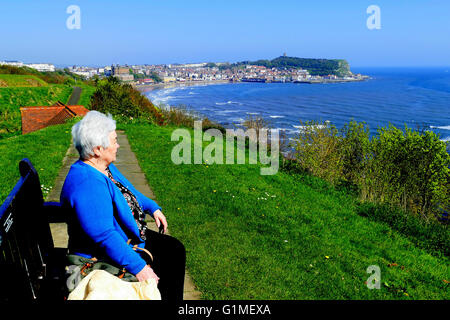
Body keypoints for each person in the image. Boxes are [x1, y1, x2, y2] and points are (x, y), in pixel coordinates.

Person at [60, 110, 185, 301]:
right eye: (114, 140)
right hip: (98, 258)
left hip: (125, 239)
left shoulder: (104, 167)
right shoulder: (87, 183)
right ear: (97, 149)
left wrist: (153, 207)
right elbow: (104, 236)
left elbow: (130, 194)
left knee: (174, 250)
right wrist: (140, 268)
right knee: (169, 259)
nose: (118, 145)